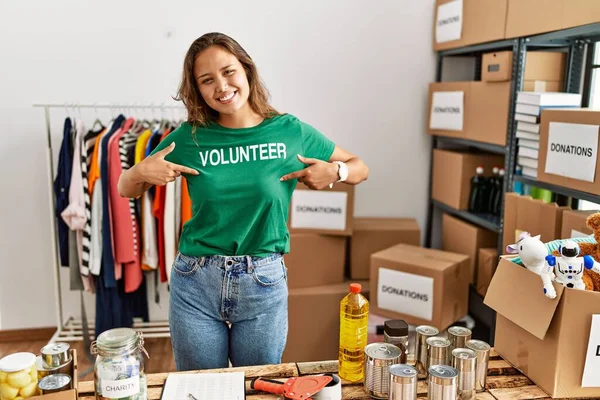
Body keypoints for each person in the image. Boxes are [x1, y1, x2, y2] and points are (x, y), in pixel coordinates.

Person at [118, 32, 369, 371]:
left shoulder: (288, 131)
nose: (221, 86)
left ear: (247, 70)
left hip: (263, 282)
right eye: (207, 80)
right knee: (200, 390)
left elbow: (360, 167)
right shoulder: (190, 138)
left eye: (228, 71)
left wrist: (335, 171)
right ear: (198, 90)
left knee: (259, 387)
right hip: (196, 281)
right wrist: (141, 172)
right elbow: (124, 188)